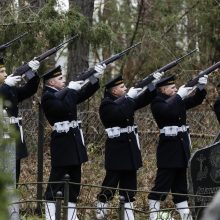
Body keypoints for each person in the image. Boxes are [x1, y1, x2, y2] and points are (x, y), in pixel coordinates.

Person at [41, 64, 106, 220]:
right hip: (62, 143)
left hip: (74, 141)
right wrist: (71, 90)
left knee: (75, 182)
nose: (63, 80)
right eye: (59, 78)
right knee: (56, 180)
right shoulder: (48, 97)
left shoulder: (63, 93)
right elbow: (64, 108)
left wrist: (94, 78)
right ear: (50, 82)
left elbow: (82, 95)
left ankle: (71, 216)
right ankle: (50, 216)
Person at [95, 72, 163, 220]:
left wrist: (152, 85)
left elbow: (142, 101)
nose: (125, 88)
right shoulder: (106, 104)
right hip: (117, 149)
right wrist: (130, 97)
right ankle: (101, 207)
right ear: (113, 91)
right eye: (122, 86)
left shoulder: (125, 100)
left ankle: (128, 213)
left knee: (130, 183)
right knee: (112, 181)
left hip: (129, 147)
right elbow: (120, 113)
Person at [147, 75, 208, 220]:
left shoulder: (176, 101)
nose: (176, 89)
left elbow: (195, 100)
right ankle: (153, 215)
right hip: (168, 151)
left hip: (181, 149)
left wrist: (200, 88)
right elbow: (168, 111)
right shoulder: (157, 102)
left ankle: (185, 216)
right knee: (162, 184)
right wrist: (179, 95)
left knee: (180, 187)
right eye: (172, 88)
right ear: (163, 89)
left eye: (176, 88)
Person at [0, 57, 40, 183]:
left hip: (12, 139)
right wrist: (6, 86)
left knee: (13, 179)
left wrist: (31, 72)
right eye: (1, 71)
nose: (5, 74)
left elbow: (28, 90)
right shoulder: (6, 88)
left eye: (5, 71)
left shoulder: (10, 89)